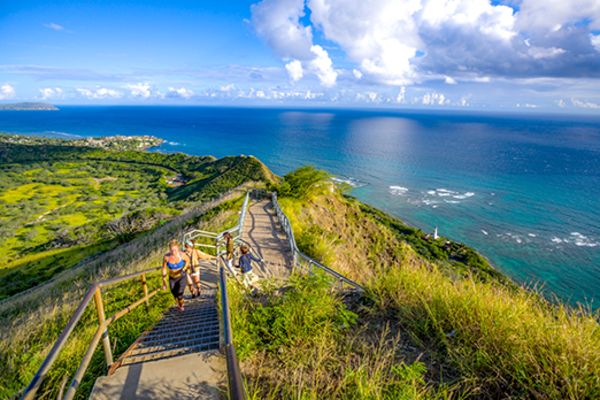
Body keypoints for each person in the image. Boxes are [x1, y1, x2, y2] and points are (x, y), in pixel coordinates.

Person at [162, 239, 190, 311]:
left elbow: (188, 261)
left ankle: (181, 305)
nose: (173, 252)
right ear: (169, 250)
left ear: (178, 249)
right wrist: (164, 281)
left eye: (175, 250)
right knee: (174, 294)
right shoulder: (166, 257)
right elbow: (164, 269)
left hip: (181, 277)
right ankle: (179, 304)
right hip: (172, 278)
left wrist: (184, 269)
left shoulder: (182, 255)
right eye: (172, 250)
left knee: (179, 294)